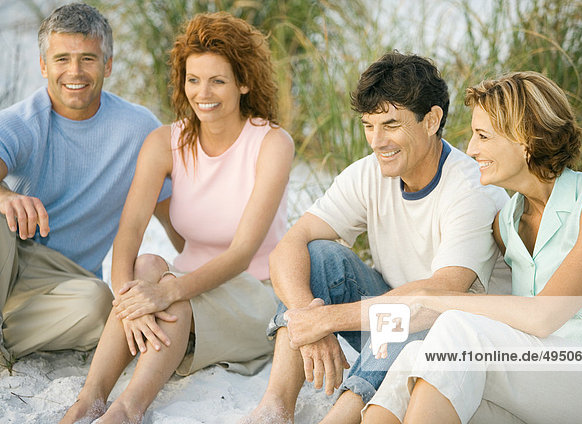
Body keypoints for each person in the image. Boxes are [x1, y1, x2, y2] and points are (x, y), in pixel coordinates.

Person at [243, 52, 510, 424]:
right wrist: (309, 316)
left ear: (431, 120)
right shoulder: (369, 172)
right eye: (369, 125)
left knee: (415, 313)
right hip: (391, 315)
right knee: (317, 256)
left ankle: (343, 413)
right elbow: (288, 245)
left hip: (454, 336)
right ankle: (275, 407)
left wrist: (329, 320)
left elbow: (438, 295)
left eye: (391, 124)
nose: (377, 141)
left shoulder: (470, 190)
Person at [61, 11, 294, 424]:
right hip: (185, 278)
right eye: (193, 79)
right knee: (146, 266)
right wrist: (127, 298)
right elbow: (130, 231)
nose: (203, 93)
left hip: (255, 291)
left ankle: (126, 411)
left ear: (244, 83)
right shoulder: (163, 142)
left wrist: (167, 293)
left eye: (218, 80)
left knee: (173, 298)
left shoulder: (272, 143)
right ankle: (89, 399)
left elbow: (242, 254)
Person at [362, 71, 582, 424]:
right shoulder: (506, 222)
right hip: (533, 375)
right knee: (415, 359)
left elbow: (544, 316)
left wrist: (434, 298)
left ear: (527, 140)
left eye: (483, 136)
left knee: (458, 330)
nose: (471, 149)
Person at [0, 3, 171, 367]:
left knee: (99, 305)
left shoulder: (139, 129)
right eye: (61, 59)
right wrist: (5, 195)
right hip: (10, 255)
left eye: (88, 59)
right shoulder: (20, 122)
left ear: (107, 64)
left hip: (65, 282)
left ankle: (5, 336)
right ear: (44, 65)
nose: (74, 72)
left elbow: (174, 216)